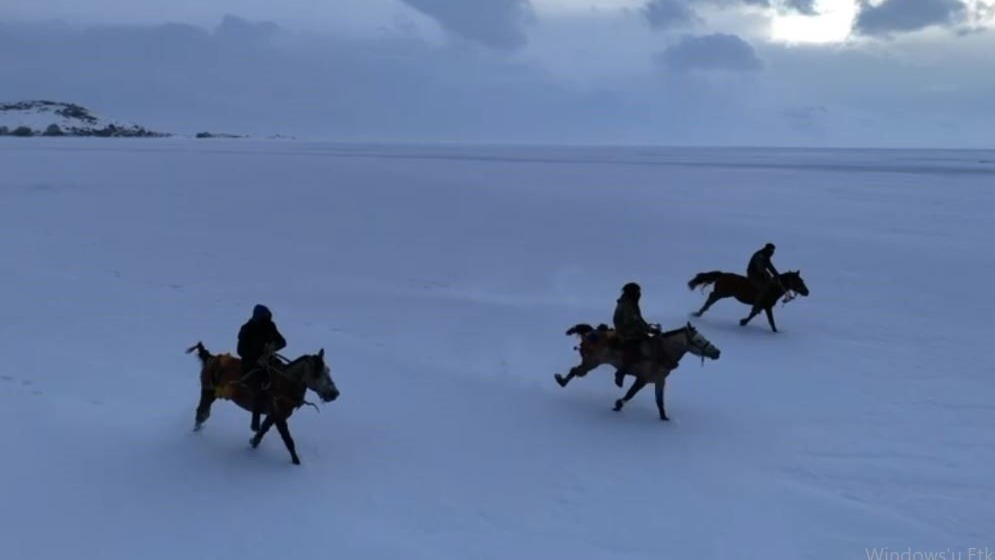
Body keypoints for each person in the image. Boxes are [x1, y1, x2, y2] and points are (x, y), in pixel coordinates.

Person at [611, 282, 677, 387]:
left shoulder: (630, 302)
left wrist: (648, 327)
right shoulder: (627, 305)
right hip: (626, 331)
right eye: (637, 292)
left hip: (630, 328)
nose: (639, 294)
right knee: (637, 346)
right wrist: (645, 330)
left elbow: (638, 320)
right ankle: (622, 371)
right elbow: (632, 321)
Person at [237, 304, 287, 432]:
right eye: (263, 317)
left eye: (267, 317)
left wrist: (272, 347)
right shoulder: (247, 329)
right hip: (251, 363)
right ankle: (256, 420)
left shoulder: (270, 326)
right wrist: (257, 357)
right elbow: (241, 350)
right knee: (260, 386)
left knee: (284, 372)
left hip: (269, 359)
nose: (266, 320)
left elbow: (282, 341)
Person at [746, 243, 782, 312]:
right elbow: (760, 268)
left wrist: (777, 274)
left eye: (773, 250)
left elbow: (770, 266)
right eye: (771, 250)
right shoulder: (760, 255)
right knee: (763, 288)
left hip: (760, 274)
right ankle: (756, 305)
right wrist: (767, 275)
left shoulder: (766, 256)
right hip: (753, 274)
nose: (772, 252)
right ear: (767, 249)